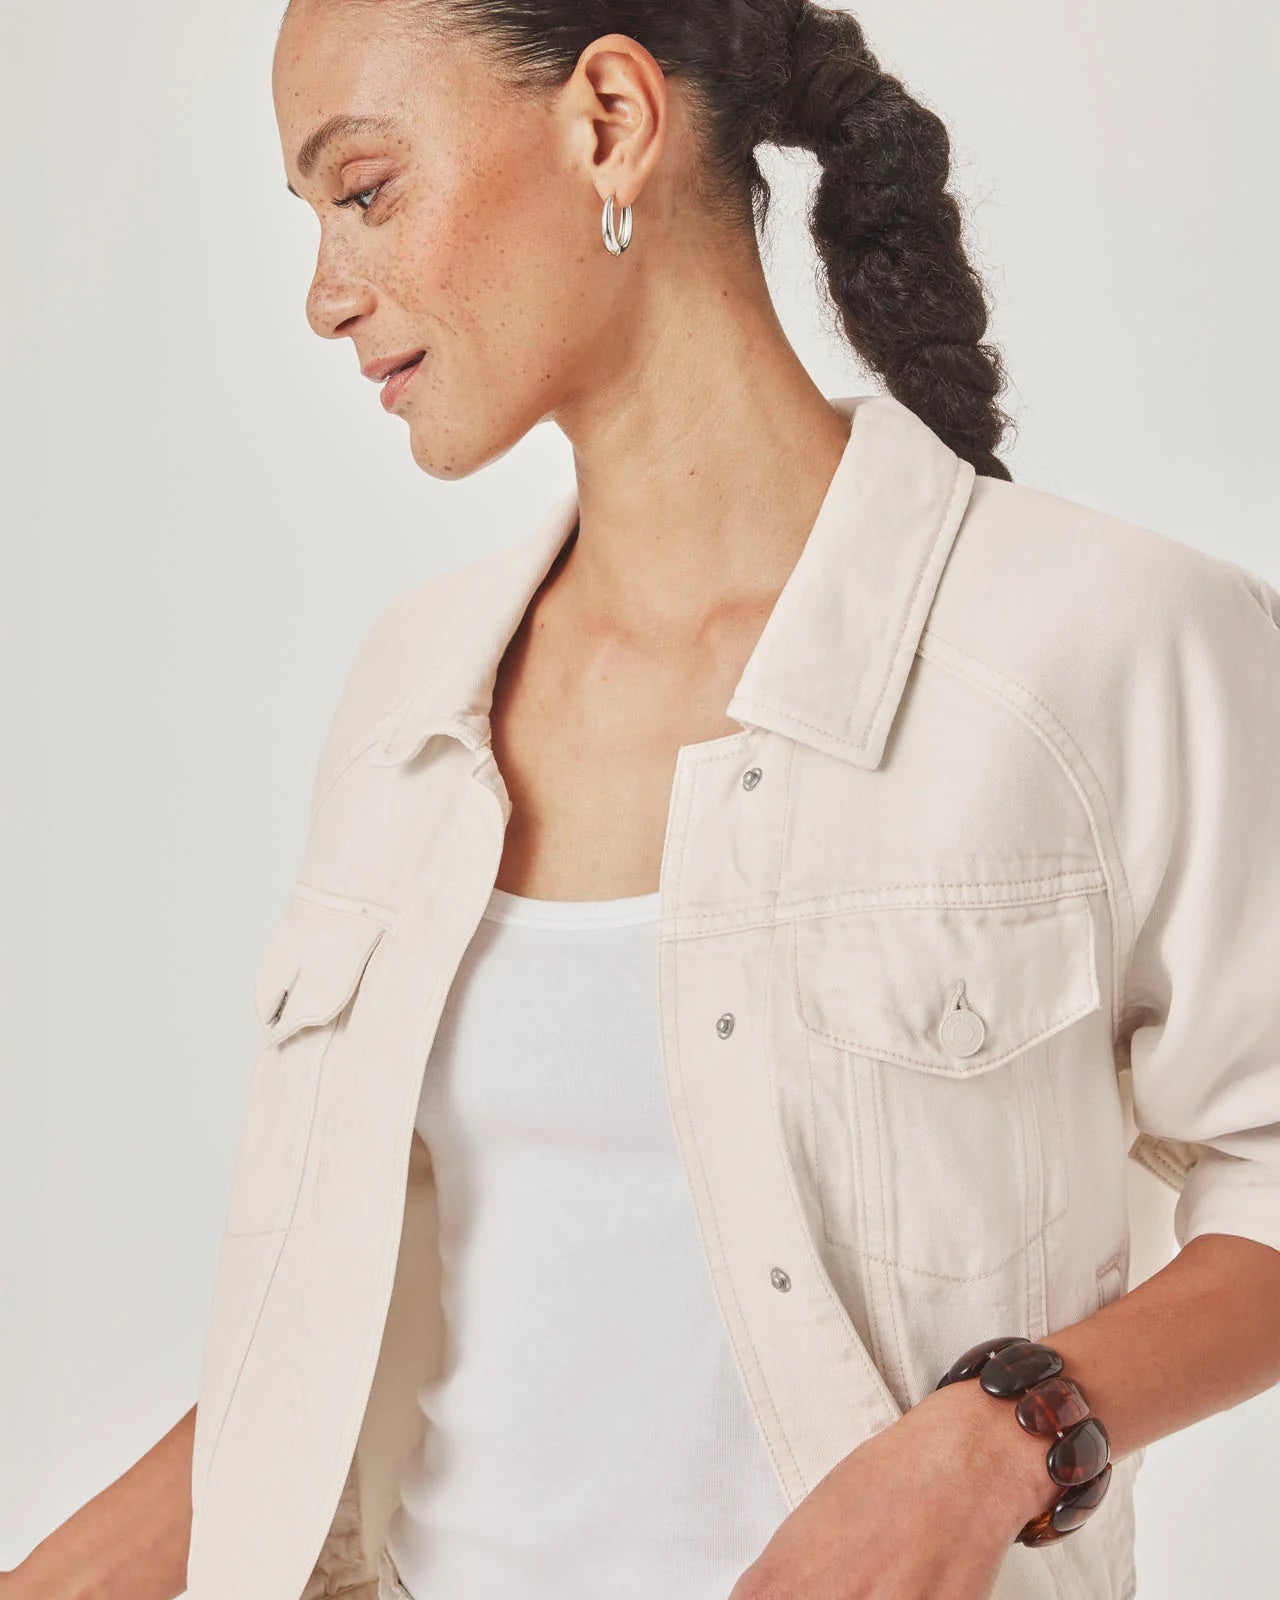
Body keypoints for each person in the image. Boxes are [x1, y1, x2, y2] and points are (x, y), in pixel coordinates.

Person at [10, 2, 1280, 1598]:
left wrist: (1004, 1433)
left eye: (369, 190)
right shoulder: (413, 701)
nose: (328, 294)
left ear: (608, 118)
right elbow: (350, 1369)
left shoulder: (1106, 644)